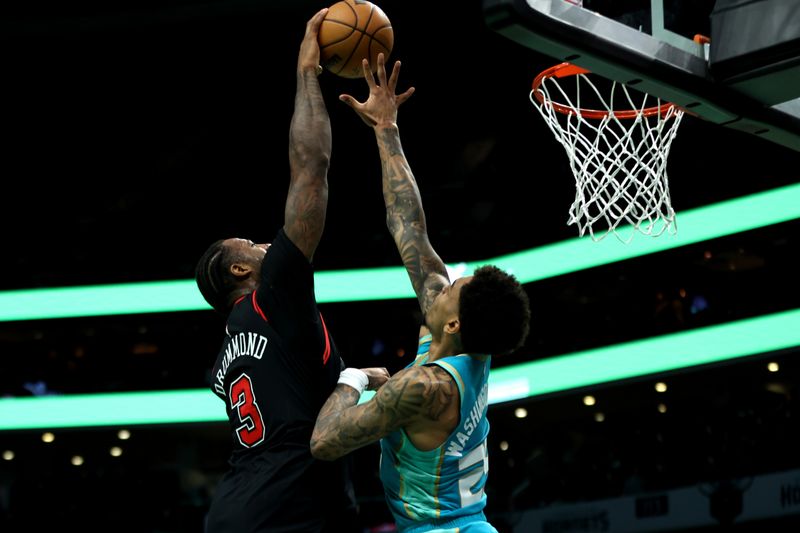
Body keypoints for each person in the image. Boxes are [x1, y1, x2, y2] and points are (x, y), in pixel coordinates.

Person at [310, 54, 531, 533]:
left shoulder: (424, 387)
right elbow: (408, 224)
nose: (444, 283)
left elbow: (325, 442)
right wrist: (385, 128)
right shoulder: (463, 346)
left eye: (453, 288)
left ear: (453, 323)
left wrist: (354, 379)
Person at [194, 10, 389, 532]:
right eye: (253, 244)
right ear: (240, 269)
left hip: (234, 509)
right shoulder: (271, 295)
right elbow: (310, 169)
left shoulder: (224, 359)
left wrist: (353, 378)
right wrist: (308, 72)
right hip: (294, 509)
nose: (266, 243)